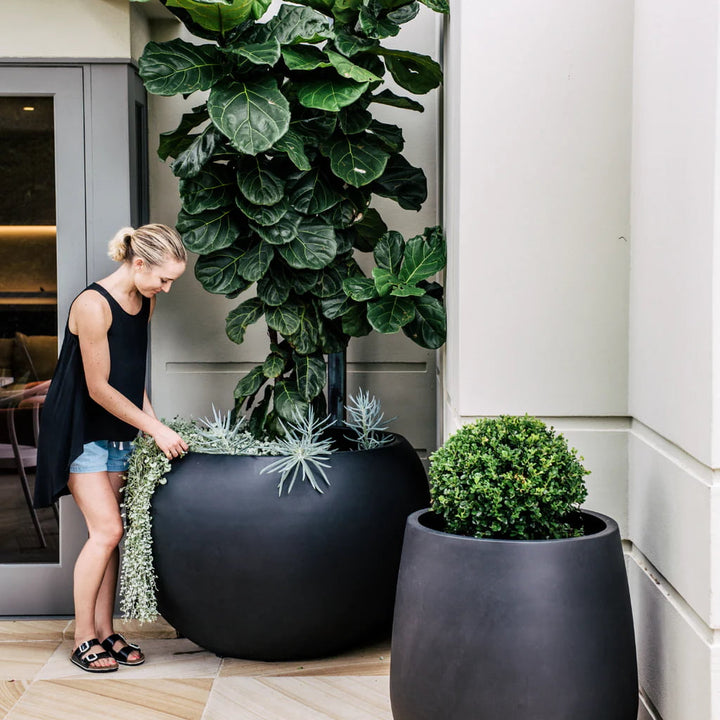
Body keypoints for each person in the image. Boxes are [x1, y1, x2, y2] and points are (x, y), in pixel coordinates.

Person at [34, 224, 189, 673]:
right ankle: (82, 637)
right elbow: (99, 388)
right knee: (106, 531)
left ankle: (104, 631)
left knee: (110, 533)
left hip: (119, 427)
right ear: (138, 263)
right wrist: (155, 431)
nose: (168, 287)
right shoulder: (91, 305)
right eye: (164, 278)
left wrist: (152, 425)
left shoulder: (146, 300)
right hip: (80, 428)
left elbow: (129, 377)